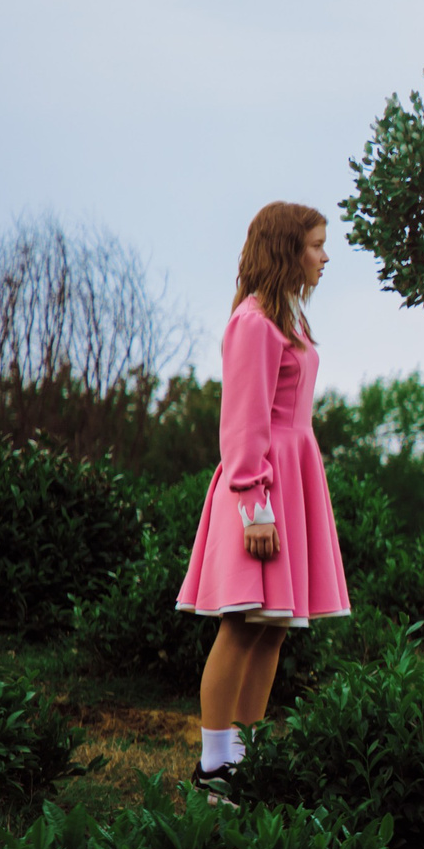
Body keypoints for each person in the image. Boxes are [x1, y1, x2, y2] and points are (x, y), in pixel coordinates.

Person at [175, 203, 349, 801]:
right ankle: (212, 764)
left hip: (294, 479)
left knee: (272, 629)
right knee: (242, 626)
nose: (326, 257)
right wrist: (256, 506)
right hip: (263, 488)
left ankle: (246, 759)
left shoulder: (288, 320)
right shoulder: (253, 323)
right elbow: (243, 421)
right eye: (316, 246)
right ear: (286, 250)